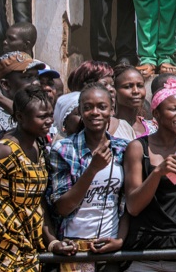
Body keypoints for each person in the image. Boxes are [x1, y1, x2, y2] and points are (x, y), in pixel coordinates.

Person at [46, 84, 128, 254]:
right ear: (81, 112)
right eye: (88, 107)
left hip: (109, 246)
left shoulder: (123, 149)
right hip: (73, 247)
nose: (95, 112)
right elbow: (62, 207)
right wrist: (92, 169)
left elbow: (129, 203)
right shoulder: (63, 149)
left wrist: (120, 240)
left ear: (112, 110)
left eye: (102, 107)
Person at [122, 79, 176, 271]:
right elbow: (133, 206)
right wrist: (158, 173)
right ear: (156, 114)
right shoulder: (138, 148)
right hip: (143, 252)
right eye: (173, 109)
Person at [0, 88, 54, 267]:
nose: (49, 121)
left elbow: (38, 201)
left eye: (50, 115)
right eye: (42, 117)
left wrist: (52, 240)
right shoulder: (5, 150)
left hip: (27, 245)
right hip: (4, 246)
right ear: (20, 117)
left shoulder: (39, 145)